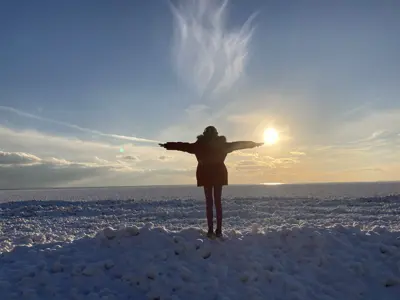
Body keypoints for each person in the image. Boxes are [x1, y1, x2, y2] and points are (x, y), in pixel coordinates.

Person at [159, 126, 263, 238]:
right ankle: (218, 231)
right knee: (217, 203)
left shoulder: (199, 145)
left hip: (206, 176)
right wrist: (254, 144)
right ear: (216, 134)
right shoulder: (222, 145)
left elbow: (183, 146)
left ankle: (210, 230)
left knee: (209, 203)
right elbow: (240, 145)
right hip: (219, 175)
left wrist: (167, 145)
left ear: (204, 134)